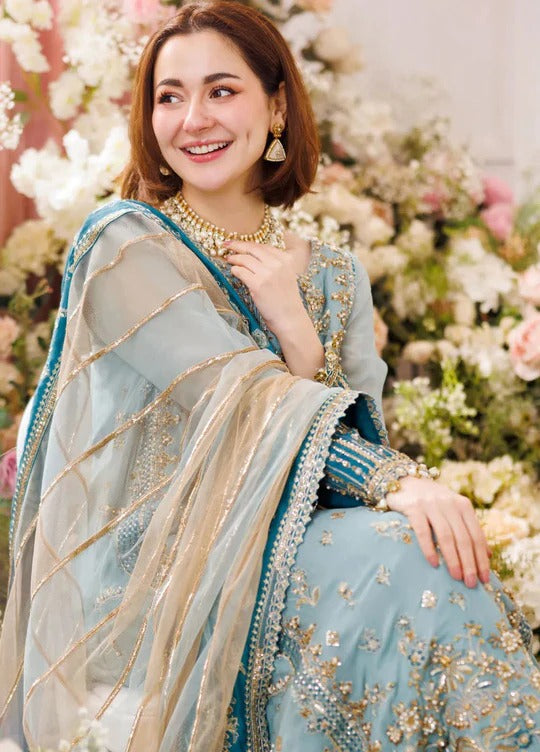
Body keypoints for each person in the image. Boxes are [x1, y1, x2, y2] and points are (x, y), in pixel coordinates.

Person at [1, 2, 539, 750]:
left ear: (277, 105)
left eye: (221, 90)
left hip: (299, 544)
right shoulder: (126, 245)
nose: (194, 119)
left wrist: (297, 326)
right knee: (407, 550)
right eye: (169, 96)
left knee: (426, 558)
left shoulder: (336, 276)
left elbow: (346, 462)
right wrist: (397, 475)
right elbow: (239, 397)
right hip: (165, 580)